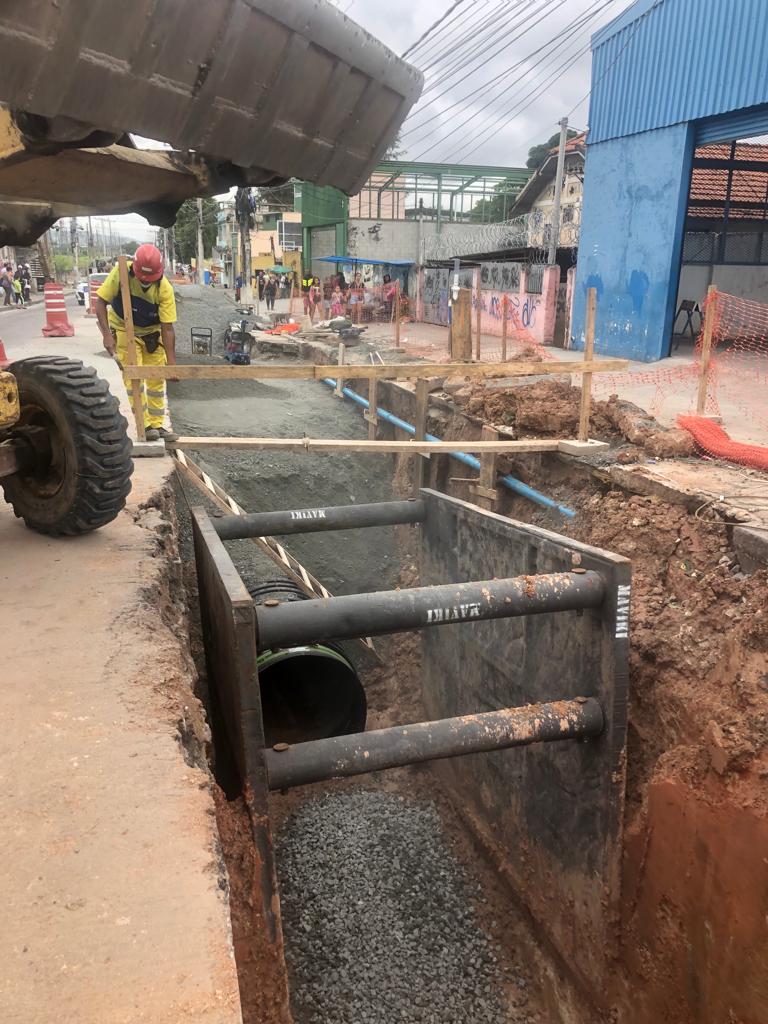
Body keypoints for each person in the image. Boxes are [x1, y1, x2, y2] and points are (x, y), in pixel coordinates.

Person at [94, 244, 178, 442]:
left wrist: (172, 364)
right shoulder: (122, 272)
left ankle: (157, 425)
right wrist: (107, 335)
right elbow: (100, 302)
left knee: (157, 378)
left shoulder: (164, 288)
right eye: (142, 278)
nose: (146, 282)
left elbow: (167, 328)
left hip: (151, 333)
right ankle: (144, 425)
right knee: (135, 379)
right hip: (124, 329)